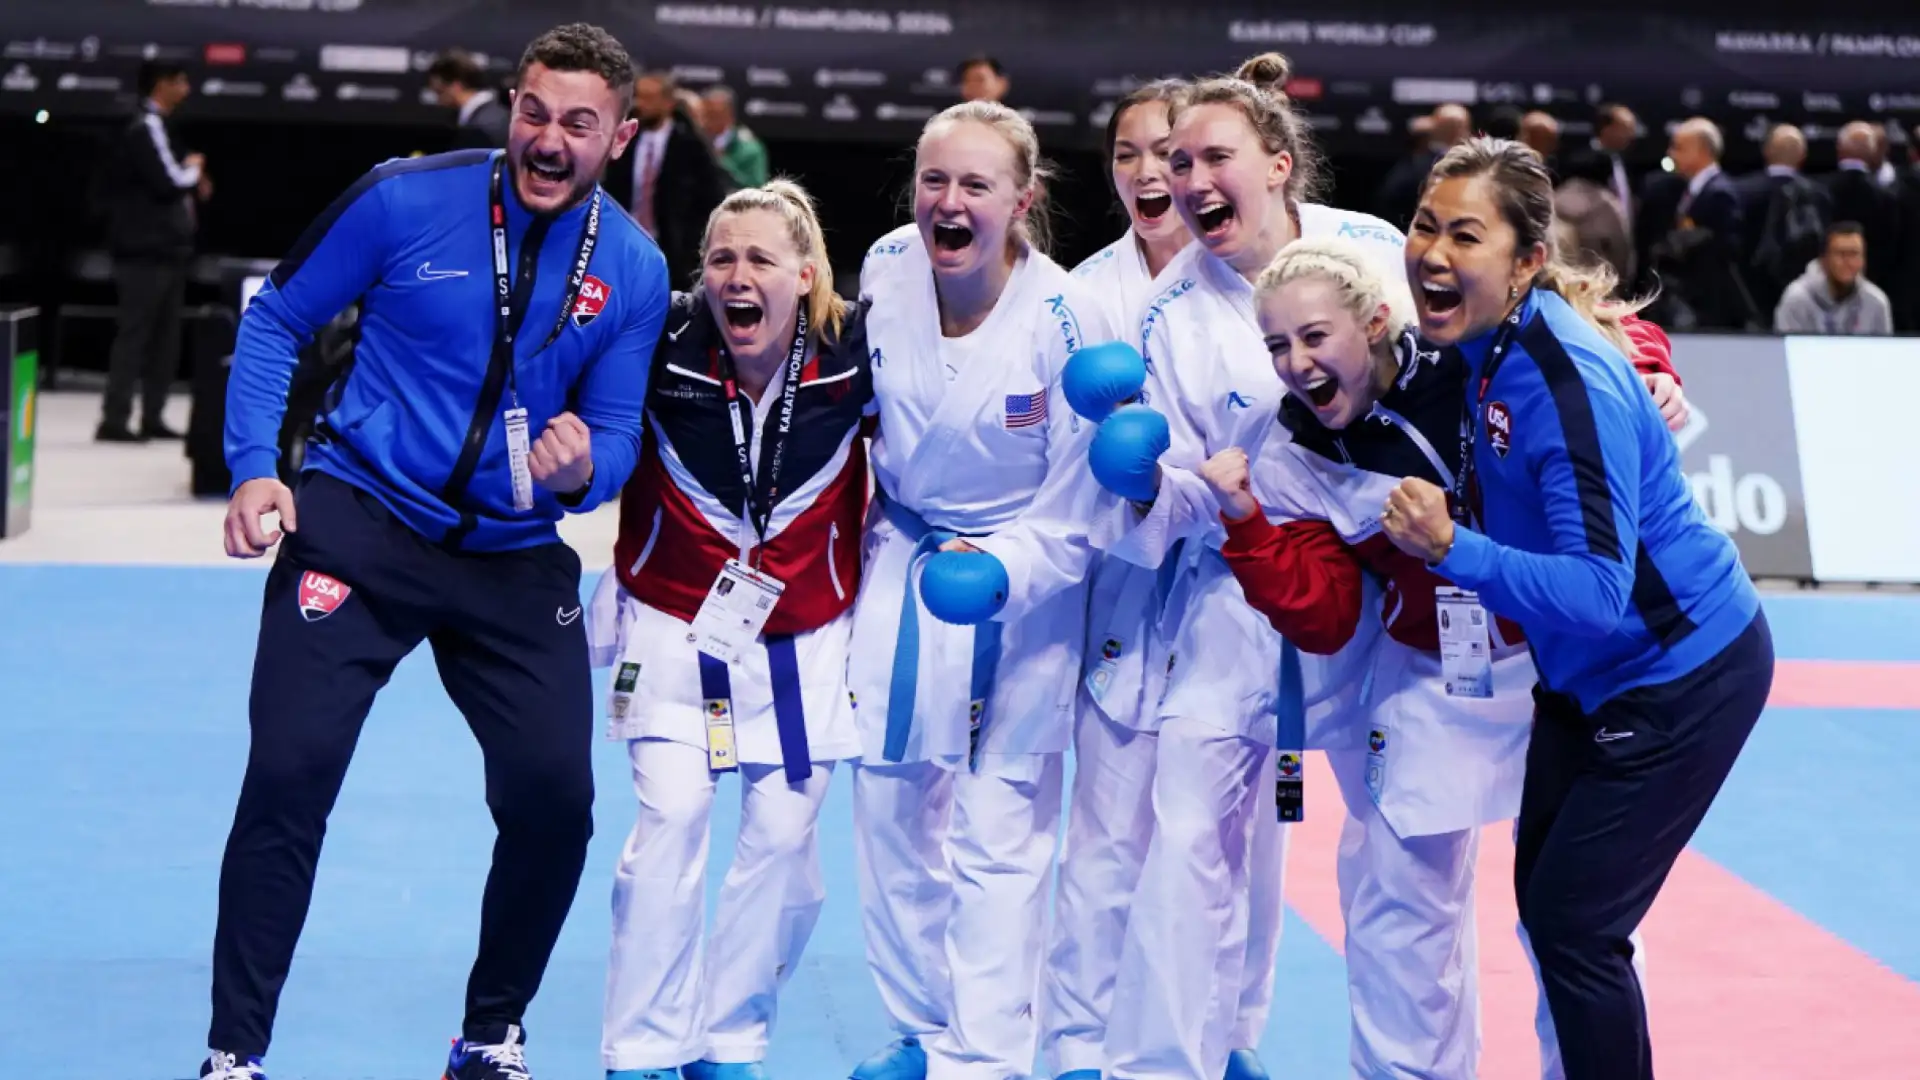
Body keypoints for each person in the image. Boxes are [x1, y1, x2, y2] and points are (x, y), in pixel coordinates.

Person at [204, 23, 669, 1080]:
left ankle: (490, 1033)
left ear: (623, 136)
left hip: (511, 556)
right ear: (511, 104)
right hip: (360, 522)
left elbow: (619, 432)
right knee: (288, 773)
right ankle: (233, 1055)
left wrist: (579, 471)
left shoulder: (634, 271)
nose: (548, 141)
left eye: (579, 124)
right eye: (534, 112)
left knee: (556, 800)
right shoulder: (404, 197)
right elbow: (278, 320)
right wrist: (251, 467)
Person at [1202, 235, 1682, 1080]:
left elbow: (1582, 330)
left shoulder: (1465, 350)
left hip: (1559, 664)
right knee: (1396, 905)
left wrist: (1650, 365)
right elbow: (1321, 616)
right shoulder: (1294, 452)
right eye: (1277, 345)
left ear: (1378, 322)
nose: (1295, 363)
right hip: (1429, 672)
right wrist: (1245, 523)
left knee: (1576, 914)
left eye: (1315, 337)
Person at [1385, 136, 1773, 1080]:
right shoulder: (1485, 340)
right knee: (1548, 907)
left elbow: (1600, 594)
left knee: (1575, 925)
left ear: (1526, 263)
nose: (1433, 252)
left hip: (1680, 674)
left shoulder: (1566, 385)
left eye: (1464, 236)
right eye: (1425, 225)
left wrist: (1451, 549)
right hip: (1580, 679)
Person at [1065, 53, 1405, 1080]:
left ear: (1280, 161)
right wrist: (1139, 486)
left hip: (1394, 584)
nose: (1190, 178)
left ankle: (1406, 1066)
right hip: (1239, 595)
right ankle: (1163, 1065)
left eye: (1214, 155)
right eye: (1177, 160)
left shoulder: (1375, 250)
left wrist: (1647, 367)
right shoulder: (1168, 312)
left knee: (1401, 854)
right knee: (1188, 845)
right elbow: (1169, 505)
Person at [845, 99, 1115, 1080]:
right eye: (933, 181)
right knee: (888, 810)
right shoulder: (882, 269)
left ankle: (985, 1057)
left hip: (1026, 585)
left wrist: (1006, 567)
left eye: (974, 185)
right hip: (903, 564)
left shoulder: (1067, 315)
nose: (947, 203)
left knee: (1001, 830)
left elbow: (1088, 494)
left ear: (1022, 200)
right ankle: (920, 1030)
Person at [588, 180, 872, 1080]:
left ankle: (727, 1040)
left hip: (805, 633)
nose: (736, 278)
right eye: (720, 259)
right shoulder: (662, 341)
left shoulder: (855, 349)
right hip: (670, 620)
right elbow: (586, 419)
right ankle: (640, 1049)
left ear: (806, 273)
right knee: (670, 820)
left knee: (786, 842)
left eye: (758, 259)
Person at [1038, 76, 1199, 1080]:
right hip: (1121, 590)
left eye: (1173, 155)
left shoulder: (1259, 284)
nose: (1150, 173)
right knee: (1101, 845)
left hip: (1234, 592)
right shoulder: (1080, 294)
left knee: (1220, 856)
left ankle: (1223, 1040)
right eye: (1130, 154)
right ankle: (1074, 1050)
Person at [98, 59, 210, 442]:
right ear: (161, 84)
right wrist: (194, 170)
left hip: (169, 250)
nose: (187, 89)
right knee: (135, 335)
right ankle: (114, 419)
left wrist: (193, 177)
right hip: (144, 251)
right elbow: (168, 180)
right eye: (181, 81)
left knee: (165, 339)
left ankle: (153, 416)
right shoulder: (145, 125)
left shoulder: (162, 128)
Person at [427, 48, 511, 148]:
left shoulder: (484, 126)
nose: (438, 101)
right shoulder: (493, 114)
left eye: (439, 92)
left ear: (455, 87)